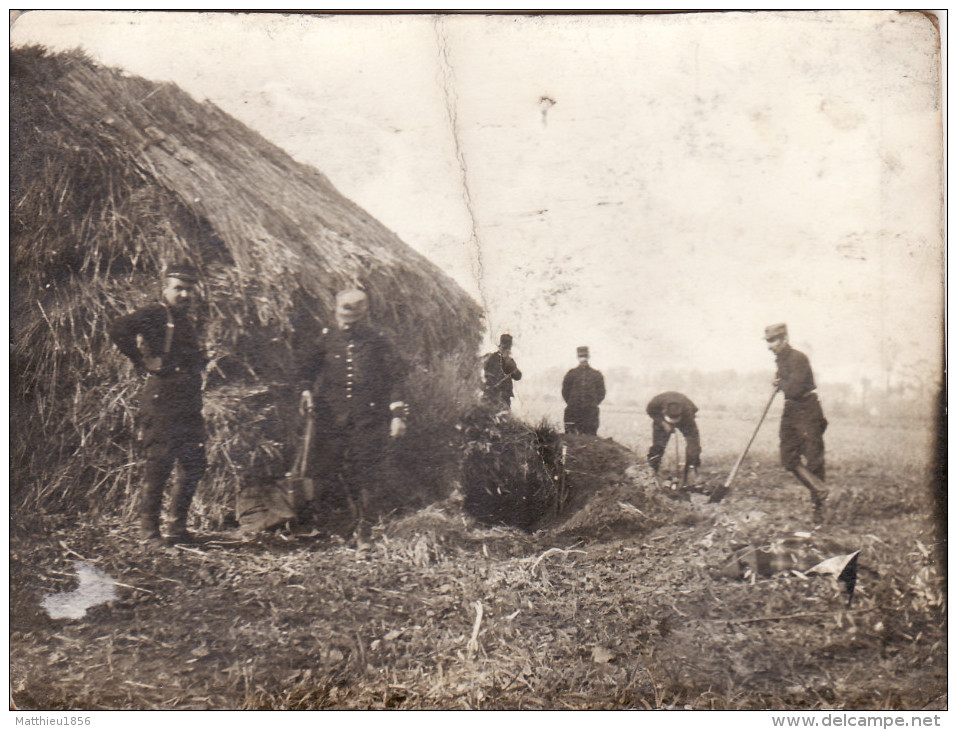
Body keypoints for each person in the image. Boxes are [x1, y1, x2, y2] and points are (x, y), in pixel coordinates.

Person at [297, 288, 408, 552]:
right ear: (336, 311)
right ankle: (331, 527)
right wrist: (305, 391)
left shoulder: (378, 340)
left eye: (354, 317)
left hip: (367, 418)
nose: (347, 321)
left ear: (364, 313)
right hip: (331, 418)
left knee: (365, 473)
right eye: (343, 315)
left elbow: (396, 379)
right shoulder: (325, 338)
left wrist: (397, 416)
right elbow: (306, 369)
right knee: (326, 469)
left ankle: (364, 531)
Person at [109, 262, 208, 546]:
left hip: (188, 400)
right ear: (165, 288)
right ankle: (149, 532)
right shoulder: (155, 313)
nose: (185, 295)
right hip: (162, 398)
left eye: (189, 289)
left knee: (193, 464)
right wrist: (140, 360)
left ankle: (177, 528)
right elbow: (119, 329)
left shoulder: (186, 319)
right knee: (160, 463)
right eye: (178, 288)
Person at [765, 323, 829, 521]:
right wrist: (780, 380)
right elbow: (788, 388)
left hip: (808, 409)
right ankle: (819, 488)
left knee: (813, 459)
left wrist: (780, 383)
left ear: (784, 339)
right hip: (791, 409)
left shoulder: (798, 358)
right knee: (788, 458)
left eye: (772, 341)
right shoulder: (781, 360)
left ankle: (818, 509)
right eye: (767, 341)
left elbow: (794, 388)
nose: (769, 346)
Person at [646, 391, 702, 486]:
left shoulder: (687, 410)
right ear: (664, 412)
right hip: (661, 420)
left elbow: (695, 410)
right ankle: (652, 470)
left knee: (694, 445)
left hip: (685, 419)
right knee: (658, 445)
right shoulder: (655, 403)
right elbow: (650, 411)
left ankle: (691, 471)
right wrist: (663, 423)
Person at [561, 346, 606, 435]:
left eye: (585, 356)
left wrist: (591, 403)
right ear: (578, 357)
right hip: (573, 412)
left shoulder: (596, 375)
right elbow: (565, 392)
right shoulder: (571, 374)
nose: (583, 359)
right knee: (571, 437)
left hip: (590, 414)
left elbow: (601, 393)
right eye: (581, 356)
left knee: (589, 438)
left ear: (588, 357)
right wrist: (573, 403)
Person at [482, 333, 522, 410]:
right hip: (492, 394)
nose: (506, 350)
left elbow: (518, 376)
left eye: (508, 348)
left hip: (504, 396)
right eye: (504, 348)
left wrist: (511, 366)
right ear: (500, 346)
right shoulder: (492, 358)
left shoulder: (510, 361)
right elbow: (486, 372)